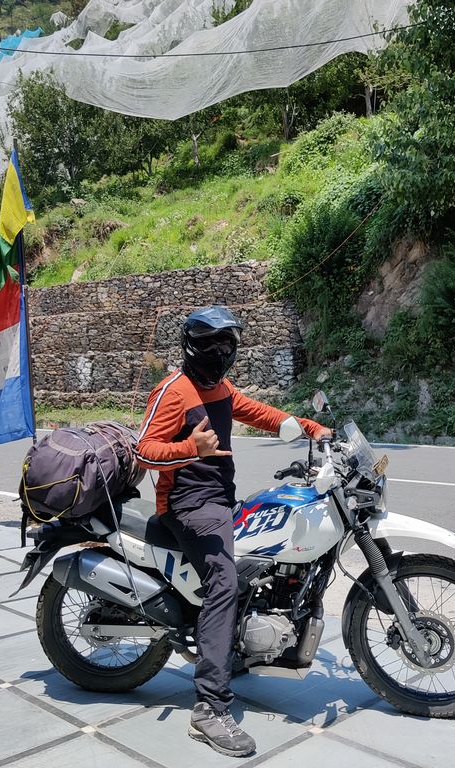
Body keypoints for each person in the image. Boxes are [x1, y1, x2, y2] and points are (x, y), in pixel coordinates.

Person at [134, 306, 330, 758]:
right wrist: (189, 448)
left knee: (259, 562)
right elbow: (144, 451)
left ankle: (236, 647)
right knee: (223, 581)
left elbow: (256, 412)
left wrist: (313, 428)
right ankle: (208, 708)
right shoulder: (173, 391)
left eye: (228, 344)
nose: (221, 352)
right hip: (186, 505)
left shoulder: (218, 388)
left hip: (219, 500)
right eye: (213, 344)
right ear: (192, 346)